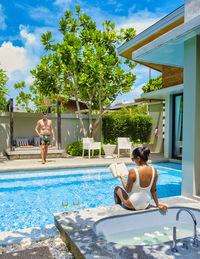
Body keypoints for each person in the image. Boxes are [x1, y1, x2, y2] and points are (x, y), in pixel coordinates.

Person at [114, 147, 167, 212]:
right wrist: (157, 204)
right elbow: (153, 190)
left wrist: (122, 179)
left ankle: (117, 210)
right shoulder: (154, 171)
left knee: (117, 188)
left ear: (138, 158)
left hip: (132, 204)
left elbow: (128, 190)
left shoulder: (133, 171)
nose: (133, 161)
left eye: (133, 159)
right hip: (146, 204)